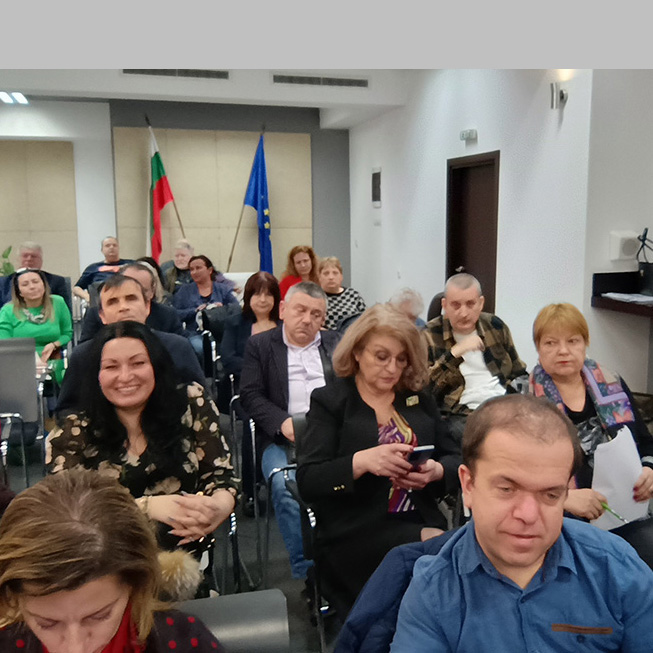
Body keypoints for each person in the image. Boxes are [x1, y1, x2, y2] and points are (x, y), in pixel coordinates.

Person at [390, 394, 653, 652]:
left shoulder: (617, 570)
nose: (528, 515)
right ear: (468, 485)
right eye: (507, 489)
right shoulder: (433, 593)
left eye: (550, 495)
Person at [297, 304, 461, 613]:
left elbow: (455, 458)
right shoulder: (331, 401)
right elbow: (308, 480)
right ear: (357, 352)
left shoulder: (417, 399)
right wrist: (361, 462)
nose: (392, 369)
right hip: (355, 528)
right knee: (439, 558)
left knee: (447, 557)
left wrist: (436, 471)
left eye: (401, 359)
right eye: (381, 357)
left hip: (419, 516)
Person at [47, 320, 238, 552]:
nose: (125, 376)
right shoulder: (73, 429)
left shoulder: (190, 402)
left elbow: (221, 476)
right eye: (111, 367)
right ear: (96, 375)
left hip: (186, 556)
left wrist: (218, 506)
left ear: (155, 366)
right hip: (107, 559)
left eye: (138, 363)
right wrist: (146, 507)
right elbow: (66, 510)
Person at [0, 469, 225, 652]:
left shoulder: (183, 642)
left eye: (99, 616)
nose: (75, 648)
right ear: (14, 598)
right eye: (46, 623)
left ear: (135, 586)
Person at [240, 282, 339, 585]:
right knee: (285, 488)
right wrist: (281, 422)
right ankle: (309, 572)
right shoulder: (260, 345)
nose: (307, 320)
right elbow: (250, 395)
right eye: (300, 310)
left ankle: (344, 560)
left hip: (334, 438)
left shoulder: (337, 343)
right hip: (282, 439)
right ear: (283, 310)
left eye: (316, 314)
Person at [530, 303, 653, 520]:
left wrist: (649, 468)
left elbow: (645, 442)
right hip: (558, 516)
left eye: (573, 341)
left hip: (624, 508)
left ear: (585, 344)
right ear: (538, 349)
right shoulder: (524, 399)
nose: (563, 351)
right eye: (551, 343)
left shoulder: (611, 382)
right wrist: (564, 498)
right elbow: (515, 473)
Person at [56, 274, 205, 417]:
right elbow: (67, 410)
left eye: (131, 299)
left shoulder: (177, 347)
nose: (123, 307)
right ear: (102, 315)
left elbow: (201, 401)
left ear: (147, 306)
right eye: (112, 302)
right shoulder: (84, 355)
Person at [425, 272, 528, 439]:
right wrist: (455, 353)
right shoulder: (428, 335)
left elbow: (518, 371)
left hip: (503, 403)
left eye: (470, 304)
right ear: (444, 305)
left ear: (481, 303)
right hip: (460, 413)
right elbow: (425, 391)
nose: (463, 313)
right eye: (456, 305)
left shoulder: (495, 325)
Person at [221, 271, 281, 512]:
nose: (263, 300)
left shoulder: (284, 325)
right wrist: (258, 369)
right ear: (248, 297)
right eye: (257, 294)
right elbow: (228, 359)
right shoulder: (236, 323)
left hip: (280, 390)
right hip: (245, 389)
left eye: (268, 295)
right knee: (252, 424)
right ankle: (251, 488)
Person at [0, 268, 72, 385]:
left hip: (52, 359)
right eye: (25, 284)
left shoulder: (58, 302)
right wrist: (29, 358)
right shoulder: (8, 310)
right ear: (19, 292)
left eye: (35, 282)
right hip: (19, 360)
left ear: (44, 285)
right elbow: (5, 343)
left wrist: (54, 344)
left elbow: (67, 333)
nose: (32, 287)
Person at [80, 262, 183, 342]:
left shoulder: (167, 315)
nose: (124, 307)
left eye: (132, 297)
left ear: (152, 292)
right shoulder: (95, 314)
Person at [172, 255, 238, 358]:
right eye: (191, 269)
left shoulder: (223, 289)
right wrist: (194, 311)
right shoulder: (183, 291)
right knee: (199, 347)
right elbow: (175, 314)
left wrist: (222, 309)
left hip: (222, 333)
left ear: (210, 270)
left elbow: (236, 309)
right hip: (195, 333)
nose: (194, 272)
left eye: (198, 268)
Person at [0, 241, 72, 312]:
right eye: (25, 256)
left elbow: (65, 310)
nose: (29, 259)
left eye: (33, 256)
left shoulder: (56, 281)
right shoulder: (3, 282)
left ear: (41, 261)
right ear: (18, 259)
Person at [318, 256, 367, 331]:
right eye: (326, 273)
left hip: (352, 334)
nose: (331, 277)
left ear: (341, 277)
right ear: (319, 277)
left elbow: (366, 319)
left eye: (335, 273)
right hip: (327, 336)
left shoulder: (353, 294)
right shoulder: (315, 296)